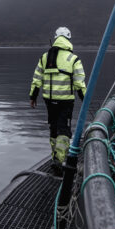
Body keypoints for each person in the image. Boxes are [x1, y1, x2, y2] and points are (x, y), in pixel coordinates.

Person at [29, 26, 87, 166]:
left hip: (49, 100)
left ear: (55, 38)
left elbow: (37, 79)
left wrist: (33, 97)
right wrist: (85, 100)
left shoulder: (44, 57)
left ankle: (55, 154)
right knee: (64, 130)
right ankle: (59, 160)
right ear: (68, 39)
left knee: (53, 128)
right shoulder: (73, 59)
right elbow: (79, 83)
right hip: (65, 101)